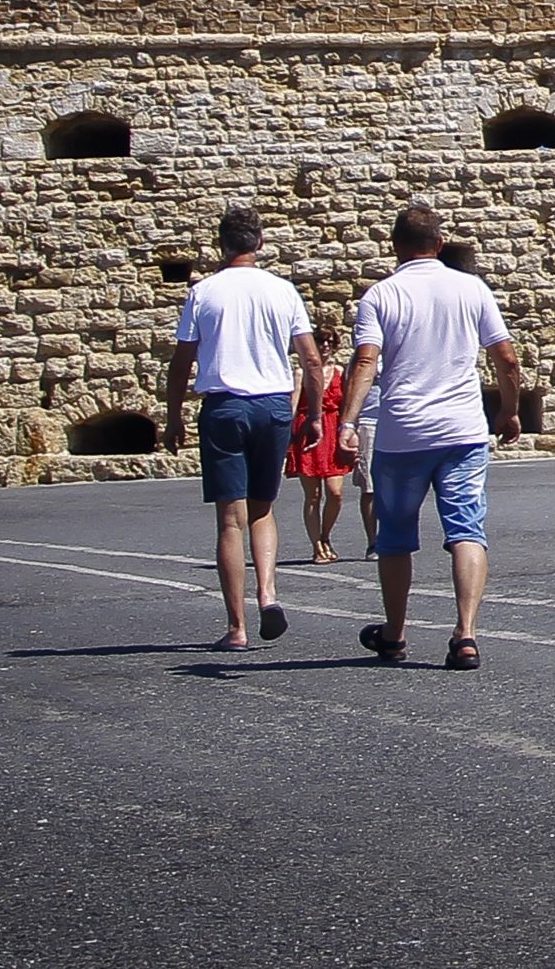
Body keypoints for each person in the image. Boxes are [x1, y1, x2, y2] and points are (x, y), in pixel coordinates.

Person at [338, 205, 523, 671]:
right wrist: (509, 409)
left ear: (395, 246)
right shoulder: (471, 288)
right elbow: (506, 357)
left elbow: (365, 363)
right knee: (466, 530)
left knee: (395, 536)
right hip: (462, 430)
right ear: (439, 245)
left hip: (403, 433)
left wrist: (347, 422)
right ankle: (465, 634)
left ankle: (395, 634)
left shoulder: (381, 295)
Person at [163, 205, 324, 650]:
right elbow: (311, 359)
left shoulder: (204, 293)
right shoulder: (283, 290)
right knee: (263, 509)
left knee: (230, 521)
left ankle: (236, 627)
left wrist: (174, 414)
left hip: (225, 406)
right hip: (272, 405)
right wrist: (312, 414)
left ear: (222, 244)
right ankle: (268, 593)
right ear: (259, 243)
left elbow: (183, 361)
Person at [284, 326, 352, 562]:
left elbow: (345, 405)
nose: (325, 346)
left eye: (330, 342)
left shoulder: (340, 371)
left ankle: (325, 535)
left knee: (335, 493)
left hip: (332, 431)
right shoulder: (300, 372)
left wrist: (348, 430)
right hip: (306, 431)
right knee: (312, 495)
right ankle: (317, 546)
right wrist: (286, 439)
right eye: (321, 341)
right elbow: (293, 406)